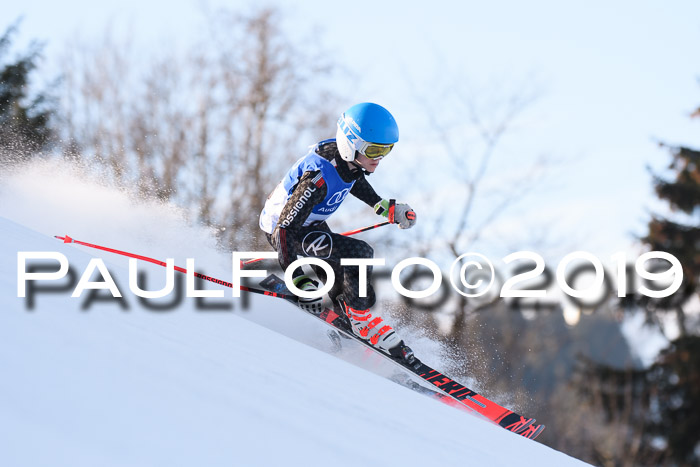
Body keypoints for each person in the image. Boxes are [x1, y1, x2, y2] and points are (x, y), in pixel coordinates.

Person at [259, 102, 417, 360]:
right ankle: (361, 322)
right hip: (286, 230)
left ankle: (347, 333)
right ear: (352, 144)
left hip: (309, 224)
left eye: (386, 151)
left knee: (348, 284)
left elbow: (353, 178)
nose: (379, 158)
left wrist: (383, 206)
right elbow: (285, 228)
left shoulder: (349, 160)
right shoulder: (317, 179)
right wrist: (296, 278)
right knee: (359, 252)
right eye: (375, 150)